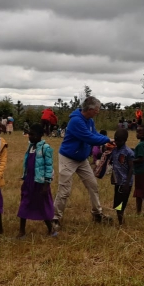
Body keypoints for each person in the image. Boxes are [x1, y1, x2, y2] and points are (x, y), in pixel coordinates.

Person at [52, 97, 113, 230]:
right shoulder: (76, 121)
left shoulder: (89, 120)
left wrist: (105, 141)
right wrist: (108, 139)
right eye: (97, 109)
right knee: (64, 190)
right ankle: (55, 218)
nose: (98, 112)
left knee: (93, 185)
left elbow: (94, 134)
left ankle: (97, 214)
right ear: (90, 109)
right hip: (68, 158)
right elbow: (89, 138)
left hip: (81, 158)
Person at [17, 124, 57, 238]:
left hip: (40, 183)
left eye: (33, 135)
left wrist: (46, 184)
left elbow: (49, 167)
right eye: (29, 134)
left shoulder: (45, 148)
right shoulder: (30, 147)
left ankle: (51, 229)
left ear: (40, 135)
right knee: (24, 204)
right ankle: (22, 231)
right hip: (29, 181)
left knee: (42, 205)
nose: (30, 137)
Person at [108, 128, 135, 225]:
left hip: (125, 183)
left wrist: (127, 183)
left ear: (125, 140)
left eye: (119, 140)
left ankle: (121, 223)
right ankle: (121, 220)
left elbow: (131, 168)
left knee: (120, 204)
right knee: (117, 204)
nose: (117, 142)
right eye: (115, 139)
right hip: (118, 181)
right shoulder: (114, 150)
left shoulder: (128, 152)